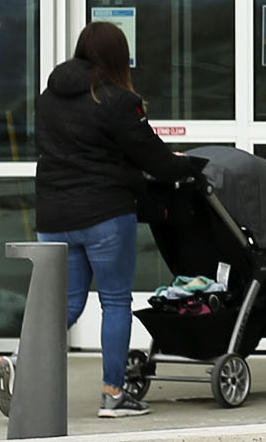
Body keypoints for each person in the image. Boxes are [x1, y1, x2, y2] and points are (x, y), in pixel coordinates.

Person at [34, 20, 206, 416]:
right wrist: (187, 167)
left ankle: (19, 360)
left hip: (54, 214)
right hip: (103, 214)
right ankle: (114, 394)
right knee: (114, 301)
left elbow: (74, 154)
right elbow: (154, 159)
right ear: (117, 56)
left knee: (65, 303)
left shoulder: (47, 99)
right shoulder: (115, 100)